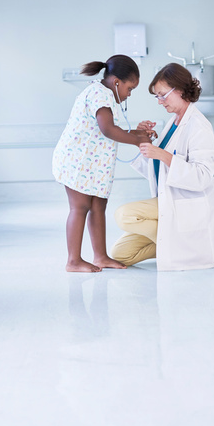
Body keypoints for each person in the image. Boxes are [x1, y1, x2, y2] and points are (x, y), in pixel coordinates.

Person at [111, 63, 214, 271]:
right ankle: (173, 244)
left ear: (180, 90)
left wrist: (163, 155)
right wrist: (141, 139)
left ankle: (180, 244)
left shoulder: (199, 126)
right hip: (167, 200)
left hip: (187, 204)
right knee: (120, 255)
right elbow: (156, 169)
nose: (160, 102)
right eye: (157, 96)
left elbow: (203, 177)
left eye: (163, 95)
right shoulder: (174, 122)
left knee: (124, 215)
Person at [52, 55, 150, 273]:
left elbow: (109, 130)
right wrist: (137, 141)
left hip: (92, 166)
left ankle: (100, 257)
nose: (129, 94)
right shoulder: (98, 93)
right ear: (117, 82)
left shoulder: (105, 96)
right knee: (80, 207)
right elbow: (108, 130)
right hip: (77, 162)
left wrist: (140, 134)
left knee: (98, 207)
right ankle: (73, 260)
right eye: (130, 88)